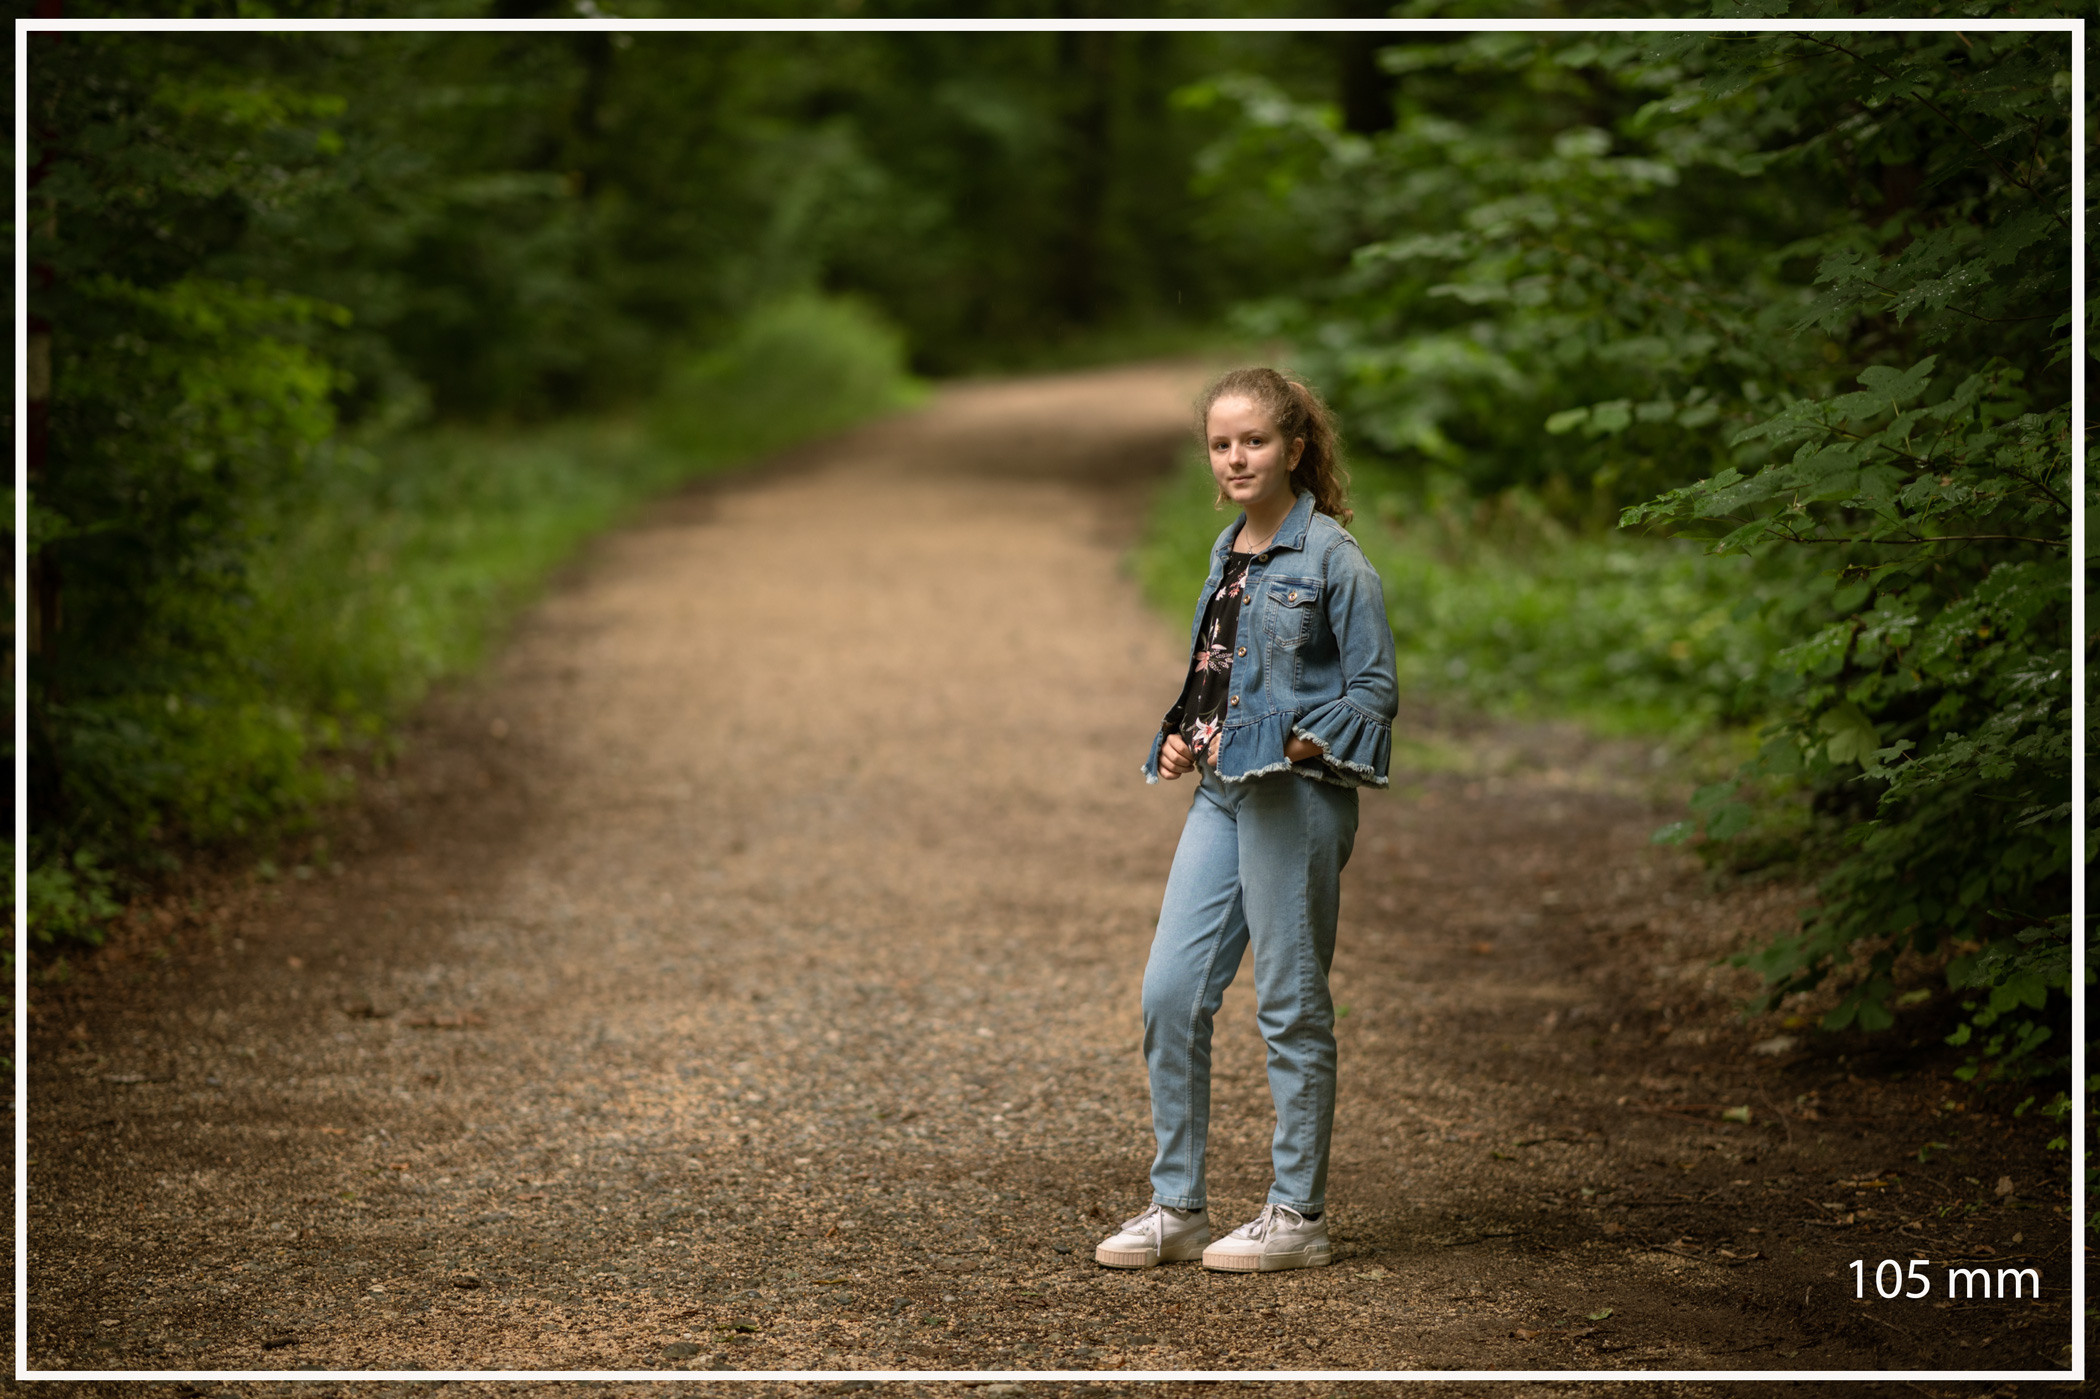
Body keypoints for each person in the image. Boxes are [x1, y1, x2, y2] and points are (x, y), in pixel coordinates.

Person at [1096, 367, 1398, 1274]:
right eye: (1221, 443)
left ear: (1294, 450)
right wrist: (1187, 733)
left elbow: (1373, 693)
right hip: (1221, 796)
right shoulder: (1228, 547)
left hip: (1295, 802)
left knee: (1289, 1006)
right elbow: (1217, 673)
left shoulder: (1334, 558)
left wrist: (1292, 747)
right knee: (1169, 992)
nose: (1235, 457)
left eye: (1254, 441)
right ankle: (1178, 1206)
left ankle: (1297, 1215)